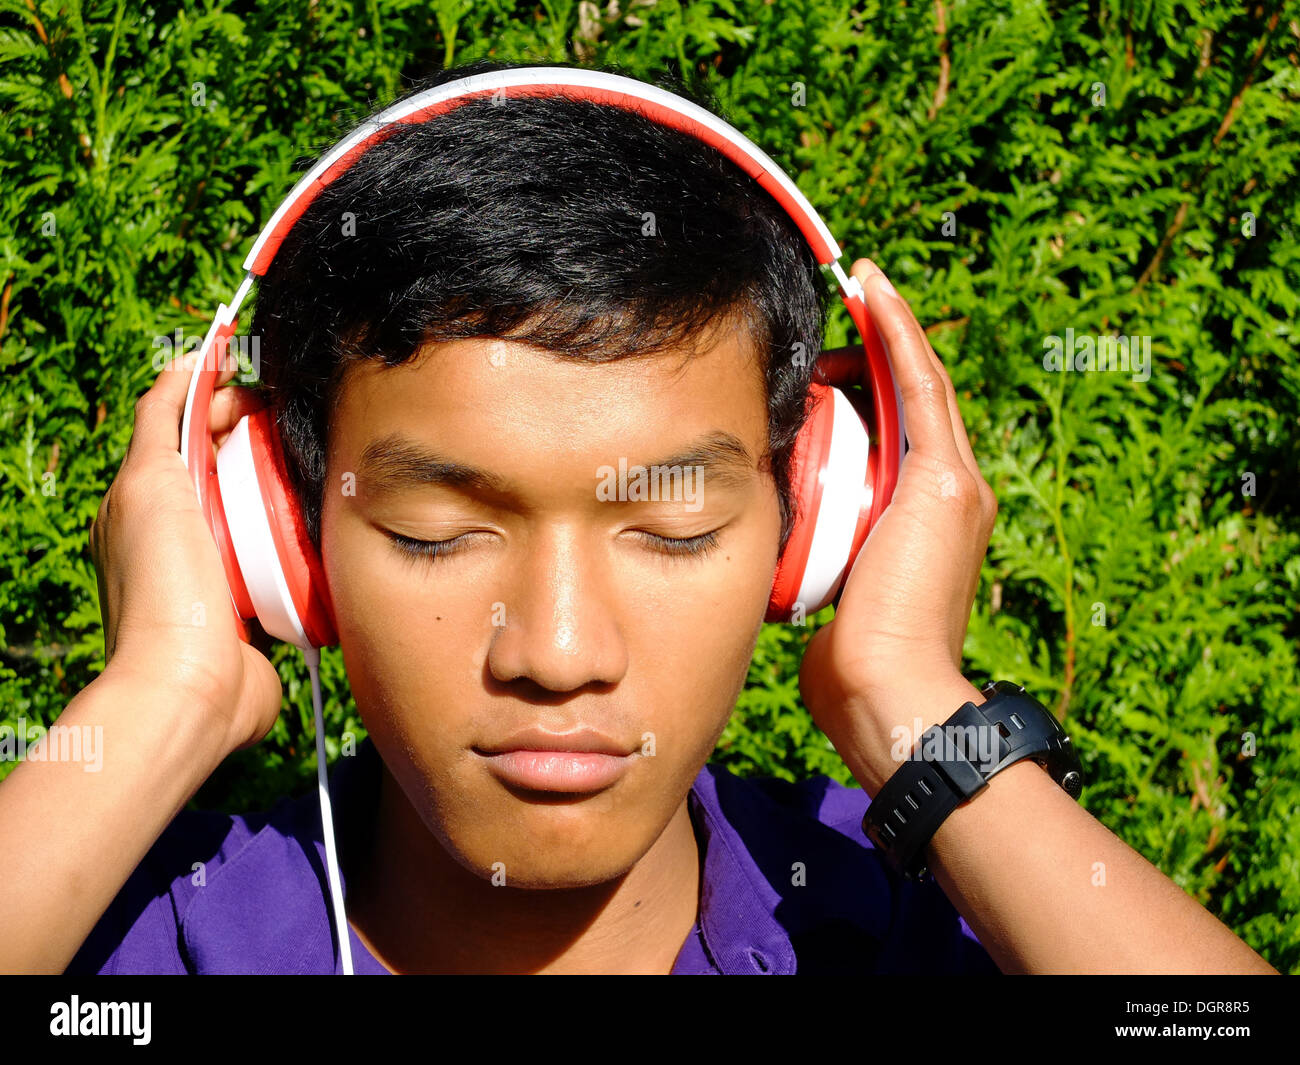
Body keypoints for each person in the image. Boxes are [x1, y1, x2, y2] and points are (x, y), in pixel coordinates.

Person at [0, 59, 1276, 975]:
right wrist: (161, 692)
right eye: (437, 531)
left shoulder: (904, 917)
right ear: (274, 536)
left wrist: (914, 707)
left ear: (818, 520)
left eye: (669, 530)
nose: (557, 653)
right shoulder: (143, 936)